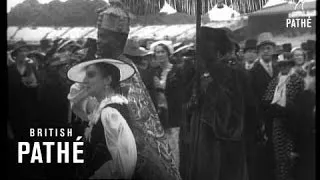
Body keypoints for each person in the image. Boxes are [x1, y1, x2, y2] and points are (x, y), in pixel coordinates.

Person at [69, 2, 181, 180]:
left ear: (119, 40)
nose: (99, 40)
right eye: (98, 35)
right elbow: (78, 97)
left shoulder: (126, 69)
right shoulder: (99, 63)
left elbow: (139, 121)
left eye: (104, 36)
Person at [184, 27, 252, 180]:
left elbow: (232, 110)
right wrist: (193, 102)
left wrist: (209, 90)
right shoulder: (197, 74)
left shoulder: (233, 74)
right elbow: (187, 107)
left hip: (219, 142)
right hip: (202, 138)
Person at [67, 59, 137, 179]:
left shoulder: (110, 113)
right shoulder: (103, 108)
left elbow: (123, 165)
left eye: (91, 75)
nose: (84, 81)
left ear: (107, 80)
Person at [261, 57, 305, 180]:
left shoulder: (298, 80)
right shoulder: (275, 81)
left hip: (293, 123)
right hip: (277, 121)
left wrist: (289, 108)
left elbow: (300, 102)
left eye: (286, 65)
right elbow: (266, 99)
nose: (284, 67)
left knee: (291, 154)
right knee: (279, 155)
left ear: (291, 65)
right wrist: (273, 107)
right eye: (281, 65)